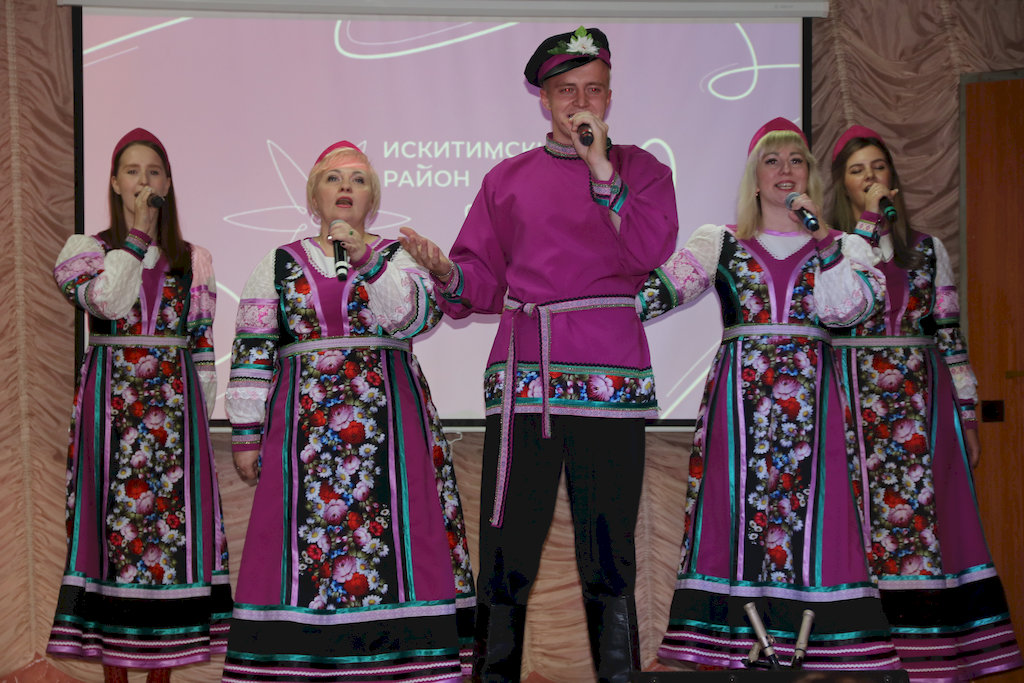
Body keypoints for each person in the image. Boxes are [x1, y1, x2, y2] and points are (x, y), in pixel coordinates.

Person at [400, 25, 678, 683]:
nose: (580, 102)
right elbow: (480, 281)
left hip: (611, 383)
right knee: (507, 555)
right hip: (526, 381)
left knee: (609, 559)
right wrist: (447, 272)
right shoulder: (507, 179)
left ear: (608, 97)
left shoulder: (642, 170)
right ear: (546, 100)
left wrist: (603, 170)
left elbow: (648, 251)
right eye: (566, 91)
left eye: (593, 90)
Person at [639, 117, 901, 671]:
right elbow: (653, 295)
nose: (785, 170)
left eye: (796, 160)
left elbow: (846, 311)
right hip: (740, 407)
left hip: (813, 406)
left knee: (817, 513)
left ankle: (817, 645)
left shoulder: (844, 246)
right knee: (737, 511)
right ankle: (738, 642)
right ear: (754, 179)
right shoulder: (719, 241)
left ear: (811, 176)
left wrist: (824, 239)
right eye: (772, 161)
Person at [222, 141, 475, 682]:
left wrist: (366, 260)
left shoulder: (397, 257)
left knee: (396, 540)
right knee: (304, 548)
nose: (345, 187)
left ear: (371, 200)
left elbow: (413, 320)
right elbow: (252, 348)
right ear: (314, 196)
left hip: (390, 434)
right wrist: (246, 433)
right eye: (333, 178)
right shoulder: (277, 263)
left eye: (358, 180)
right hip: (304, 438)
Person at [829, 124, 1023, 681]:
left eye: (878, 167)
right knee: (859, 531)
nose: (871, 178)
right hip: (852, 410)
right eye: (858, 171)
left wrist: (967, 415)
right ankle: (864, 657)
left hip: (920, 408)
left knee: (921, 527)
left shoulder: (928, 249)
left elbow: (949, 336)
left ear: (893, 177)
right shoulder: (833, 249)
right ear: (843, 185)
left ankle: (929, 659)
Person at [47, 128, 231, 683]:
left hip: (175, 417)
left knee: (170, 539)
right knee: (114, 537)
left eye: (153, 172)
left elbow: (202, 345)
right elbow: (108, 300)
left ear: (167, 184)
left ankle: (161, 673)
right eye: (132, 171)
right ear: (113, 181)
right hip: (112, 413)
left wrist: (200, 423)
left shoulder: (194, 259)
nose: (142, 181)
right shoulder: (85, 251)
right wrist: (136, 239)